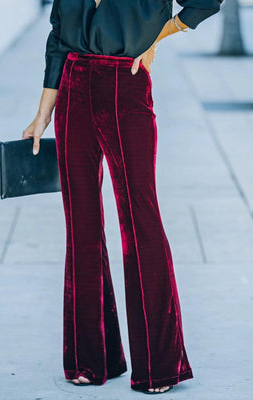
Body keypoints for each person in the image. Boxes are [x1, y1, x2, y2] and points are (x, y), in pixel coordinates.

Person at [22, 0, 224, 395]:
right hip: (72, 91)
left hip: (126, 85)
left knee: (140, 224)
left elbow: (206, 2)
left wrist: (161, 35)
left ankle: (159, 366)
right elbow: (58, 40)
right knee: (81, 228)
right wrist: (43, 114)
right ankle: (89, 360)